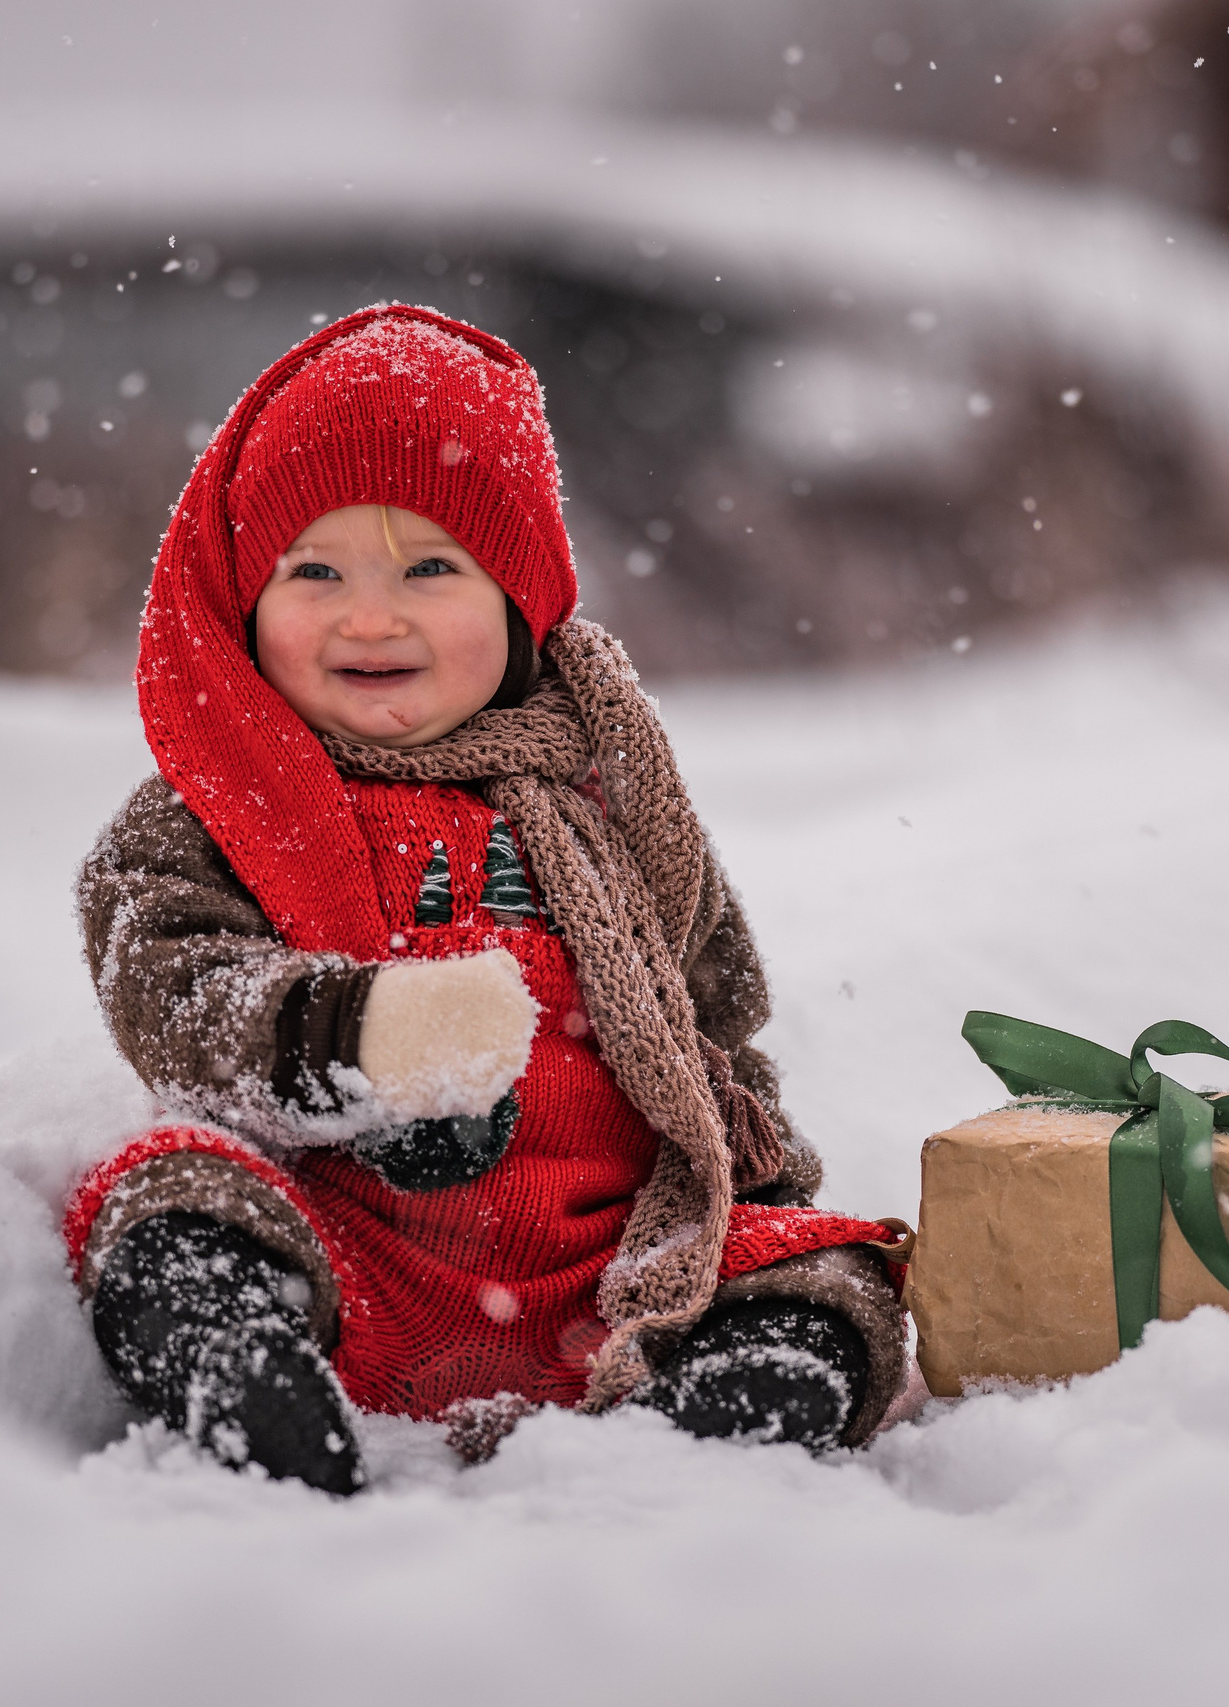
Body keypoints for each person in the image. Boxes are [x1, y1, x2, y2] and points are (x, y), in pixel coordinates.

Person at [64, 303, 907, 1493]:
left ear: (518, 602)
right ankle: (238, 1364)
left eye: (428, 568)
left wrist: (743, 1180)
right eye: (315, 570)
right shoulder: (218, 806)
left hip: (604, 1275)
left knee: (829, 1275)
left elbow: (712, 1013)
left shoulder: (609, 798)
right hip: (348, 1247)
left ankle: (727, 1399)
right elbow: (171, 988)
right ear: (247, 602)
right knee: (170, 1199)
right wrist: (358, 1047)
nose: (370, 614)